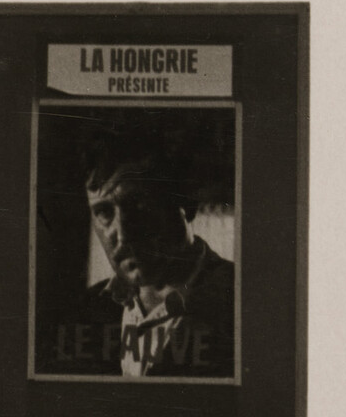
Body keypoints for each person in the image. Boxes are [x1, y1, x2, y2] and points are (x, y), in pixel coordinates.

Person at [78, 123, 236, 378]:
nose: (124, 235)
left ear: (187, 202)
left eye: (139, 205)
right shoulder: (87, 310)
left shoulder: (240, 303)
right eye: (104, 212)